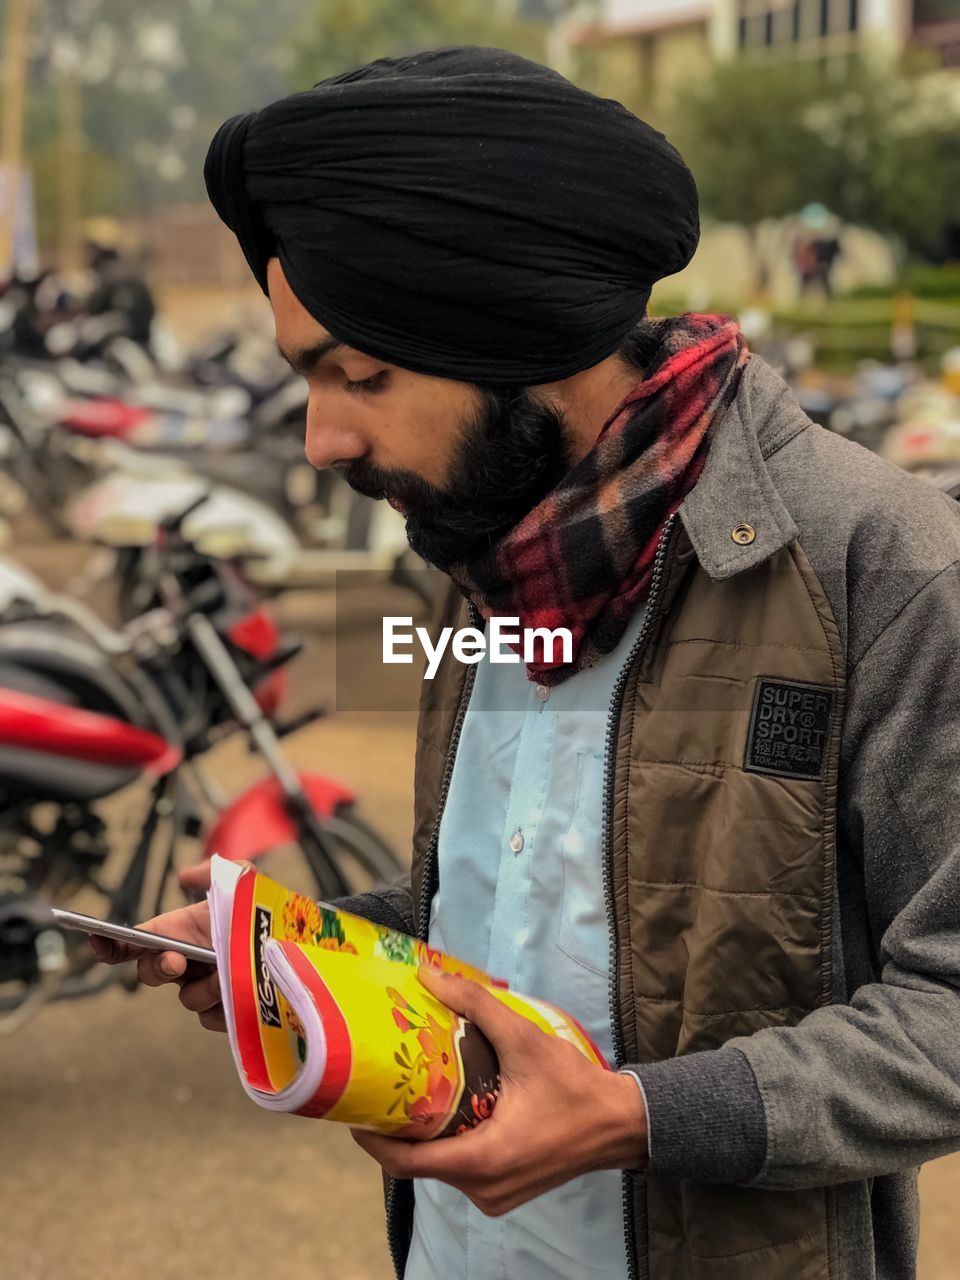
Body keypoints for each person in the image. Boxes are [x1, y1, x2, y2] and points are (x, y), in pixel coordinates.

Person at [93, 47, 960, 1280]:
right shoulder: (482, 557)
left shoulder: (884, 563)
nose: (324, 439)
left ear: (520, 337)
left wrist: (641, 1116)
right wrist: (298, 949)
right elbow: (501, 922)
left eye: (361, 374)